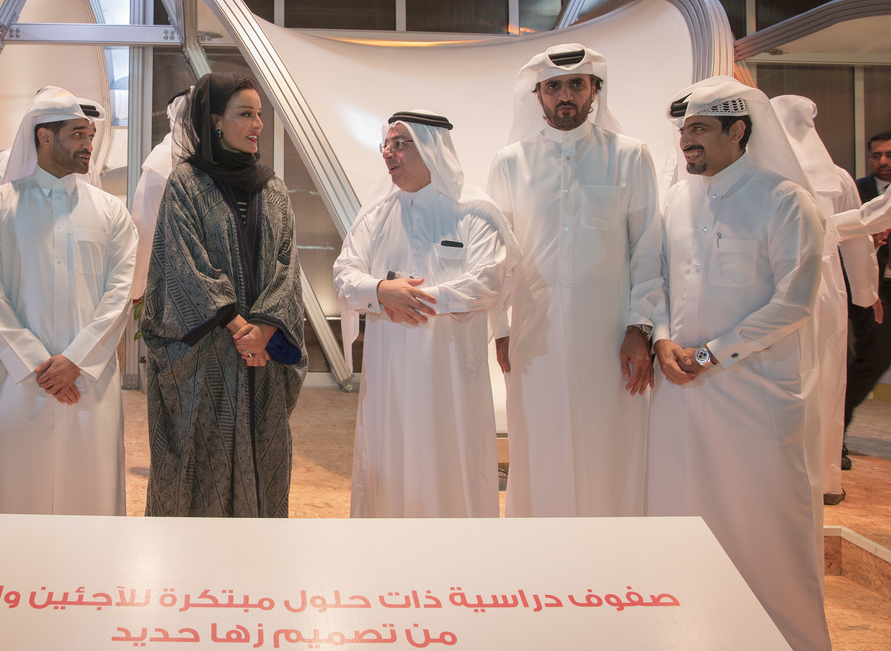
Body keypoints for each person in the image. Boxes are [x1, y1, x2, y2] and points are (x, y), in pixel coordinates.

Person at [648, 77, 830, 651]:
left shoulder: (784, 200)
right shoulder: (677, 200)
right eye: (684, 130)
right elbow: (657, 280)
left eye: (700, 129)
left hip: (755, 392)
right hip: (680, 392)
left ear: (738, 131)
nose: (687, 141)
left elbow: (794, 301)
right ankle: (687, 646)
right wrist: (664, 338)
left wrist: (711, 355)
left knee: (765, 526)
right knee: (682, 516)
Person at [486, 43, 663, 518]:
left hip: (610, 335)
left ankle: (611, 547)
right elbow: (498, 256)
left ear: (595, 90)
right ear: (538, 96)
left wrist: (639, 328)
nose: (565, 96)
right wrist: (501, 327)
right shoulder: (510, 162)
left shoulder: (629, 157)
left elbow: (648, 249)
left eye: (576, 85)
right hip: (534, 334)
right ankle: (540, 546)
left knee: (609, 440)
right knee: (538, 438)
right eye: (554, 87)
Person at [333, 111, 514, 517]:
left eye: (400, 144)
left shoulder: (475, 212)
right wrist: (381, 292)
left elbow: (487, 280)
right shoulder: (376, 214)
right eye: (386, 145)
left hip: (450, 374)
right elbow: (344, 274)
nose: (389, 153)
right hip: (389, 376)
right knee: (388, 463)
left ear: (433, 147)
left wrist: (413, 299)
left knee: (451, 464)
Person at [141, 73, 306, 518]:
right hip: (205, 358)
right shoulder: (186, 183)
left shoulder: (272, 188)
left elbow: (288, 264)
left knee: (265, 465)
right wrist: (238, 327)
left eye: (260, 115)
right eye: (245, 114)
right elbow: (181, 262)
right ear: (215, 120)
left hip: (261, 359)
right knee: (197, 471)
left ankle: (255, 558)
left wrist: (266, 328)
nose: (258, 124)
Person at [0, 87, 136, 515]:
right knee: (18, 494)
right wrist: (37, 364)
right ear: (44, 136)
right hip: (20, 380)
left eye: (90, 135)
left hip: (88, 381)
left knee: (89, 495)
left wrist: (76, 360)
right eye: (78, 134)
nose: (89, 144)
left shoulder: (111, 211)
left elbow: (120, 293)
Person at [773, 95, 878, 504]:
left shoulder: (763, 172)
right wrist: (866, 294)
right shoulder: (838, 178)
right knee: (827, 379)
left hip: (779, 288)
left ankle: (783, 478)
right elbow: (858, 241)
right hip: (826, 286)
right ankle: (823, 478)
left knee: (785, 381)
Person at [840, 129, 891, 468]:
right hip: (874, 287)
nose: (883, 161)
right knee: (873, 357)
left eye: (889, 155)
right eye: (876, 155)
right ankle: (834, 433)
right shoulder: (855, 190)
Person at [130, 88, 189, 301]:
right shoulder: (161, 161)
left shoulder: (206, 158)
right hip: (168, 277)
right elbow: (145, 227)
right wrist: (138, 288)